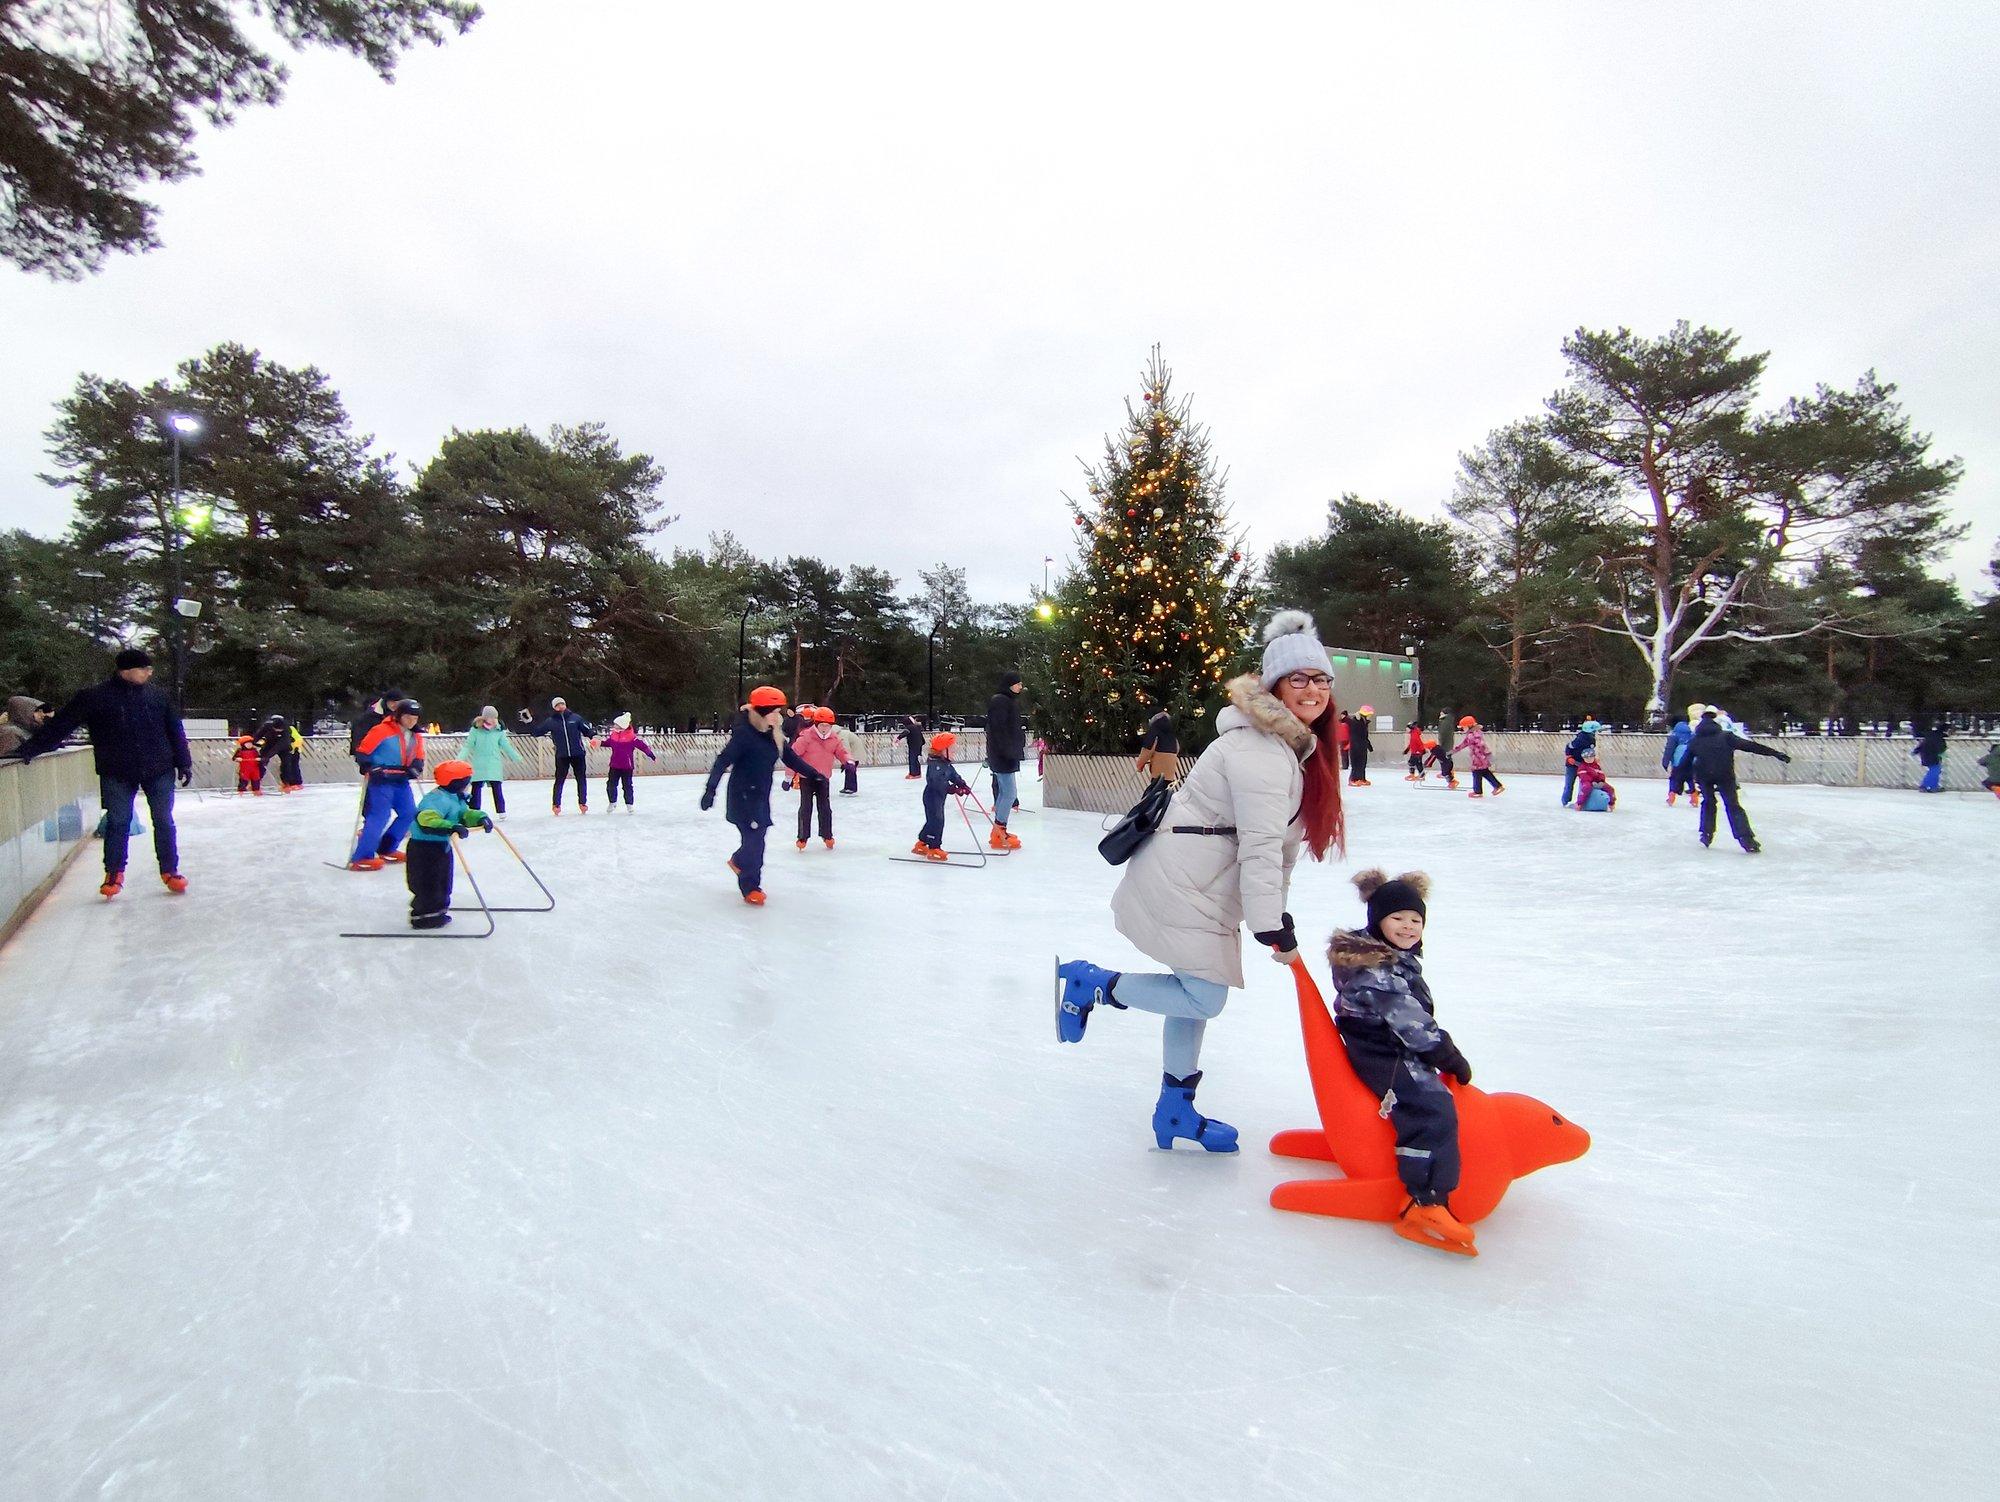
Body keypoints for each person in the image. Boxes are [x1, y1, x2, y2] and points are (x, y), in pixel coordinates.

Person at [1056, 610, 1345, 1151]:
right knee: (1203, 996)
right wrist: (1267, 923)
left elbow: (1277, 851)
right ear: (1275, 685)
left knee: (1190, 993)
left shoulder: (1288, 748)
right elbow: (1261, 845)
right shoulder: (1261, 750)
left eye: (1322, 679)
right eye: (1299, 679)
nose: (1313, 690)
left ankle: (1175, 1111)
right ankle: (1090, 983)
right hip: (1186, 884)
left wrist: (1274, 914)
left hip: (1200, 884)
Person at [1329, 869, 1477, 1256]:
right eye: (1398, 918)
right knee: (1432, 1108)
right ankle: (1425, 1202)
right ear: (1377, 920)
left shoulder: (1390, 957)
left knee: (1434, 1097)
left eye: (1416, 920)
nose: (1408, 927)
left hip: (1387, 1043)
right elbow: (1409, 1021)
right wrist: (1445, 1053)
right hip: (1381, 1051)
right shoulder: (1374, 968)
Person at [7, 648, 192, 898]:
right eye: (144, 668)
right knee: (117, 821)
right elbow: (62, 725)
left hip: (158, 767)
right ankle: (114, 873)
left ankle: (170, 870)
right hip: (116, 769)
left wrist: (184, 762)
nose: (150, 672)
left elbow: (175, 731)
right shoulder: (94, 697)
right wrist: (29, 750)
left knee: (163, 820)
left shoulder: (158, 696)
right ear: (126, 670)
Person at [700, 687, 814, 906]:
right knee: (754, 843)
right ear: (762, 711)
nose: (778, 715)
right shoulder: (744, 735)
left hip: (760, 797)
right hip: (742, 797)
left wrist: (814, 775)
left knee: (757, 841)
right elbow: (723, 761)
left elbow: (790, 758)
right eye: (774, 711)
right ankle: (750, 886)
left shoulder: (774, 734)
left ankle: (739, 861)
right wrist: (710, 790)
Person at [1685, 708, 1790, 853]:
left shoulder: (1695, 740)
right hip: (1725, 775)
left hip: (1704, 776)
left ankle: (1706, 833)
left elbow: (1684, 762)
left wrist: (1678, 781)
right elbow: (1750, 746)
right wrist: (1775, 753)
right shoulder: (1726, 736)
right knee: (1733, 805)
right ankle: (1746, 839)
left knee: (1709, 802)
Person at [405, 758, 494, 928]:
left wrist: (480, 818)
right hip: (424, 849)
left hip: (441, 847)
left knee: (443, 881)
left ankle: (438, 910)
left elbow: (464, 814)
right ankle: (423, 916)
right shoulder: (436, 799)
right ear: (457, 783)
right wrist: (450, 826)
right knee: (427, 882)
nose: (468, 785)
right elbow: (426, 820)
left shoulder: (454, 797)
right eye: (466, 781)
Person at [348, 698, 425, 870]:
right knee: (380, 816)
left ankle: (387, 848)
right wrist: (369, 766)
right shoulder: (382, 730)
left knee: (409, 813)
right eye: (408, 717)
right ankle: (362, 856)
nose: (412, 721)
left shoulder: (416, 735)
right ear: (398, 715)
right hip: (381, 780)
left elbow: (419, 756)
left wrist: (416, 767)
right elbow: (362, 752)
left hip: (401, 780)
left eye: (415, 717)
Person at [789, 706, 855, 849]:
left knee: (825, 808)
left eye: (827, 725)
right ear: (816, 724)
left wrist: (848, 762)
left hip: (823, 778)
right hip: (806, 778)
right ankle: (802, 837)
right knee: (806, 807)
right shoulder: (806, 737)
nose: (824, 728)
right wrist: (788, 777)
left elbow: (842, 752)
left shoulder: (834, 739)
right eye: (822, 725)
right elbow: (792, 756)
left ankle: (827, 835)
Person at [519, 696, 595, 814]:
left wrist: (593, 737)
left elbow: (587, 730)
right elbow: (537, 732)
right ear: (554, 707)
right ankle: (556, 804)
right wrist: (529, 722)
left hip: (578, 754)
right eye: (557, 705)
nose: (560, 706)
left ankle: (582, 802)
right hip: (562, 755)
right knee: (559, 780)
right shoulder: (551, 721)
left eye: (562, 704)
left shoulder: (575, 718)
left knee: (581, 779)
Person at [984, 671, 1028, 851]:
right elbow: (998, 730)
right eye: (1018, 683)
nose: (1020, 687)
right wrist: (1008, 751)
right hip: (1003, 755)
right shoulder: (1000, 701)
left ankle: (999, 830)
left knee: (1006, 792)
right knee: (1009, 793)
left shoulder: (1008, 701)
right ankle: (999, 831)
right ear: (1010, 684)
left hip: (1006, 754)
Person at [912, 731, 973, 860]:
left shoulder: (945, 763)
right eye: (952, 749)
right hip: (932, 796)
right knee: (937, 821)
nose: (954, 752)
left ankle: (922, 842)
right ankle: (934, 847)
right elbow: (937, 783)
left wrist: (962, 784)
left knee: (933, 820)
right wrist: (953, 789)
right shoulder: (936, 765)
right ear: (942, 750)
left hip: (938, 796)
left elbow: (953, 775)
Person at [462, 706, 523, 817]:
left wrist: (516, 757)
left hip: (493, 763)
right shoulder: (476, 730)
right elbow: (468, 746)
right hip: (479, 764)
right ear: (485, 718)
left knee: (497, 787)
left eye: (495, 717)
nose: (493, 720)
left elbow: (506, 746)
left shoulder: (498, 730)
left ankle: (501, 811)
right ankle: (474, 811)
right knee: (476, 788)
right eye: (491, 717)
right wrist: (459, 759)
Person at [601, 713, 658, 812]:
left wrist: (652, 756)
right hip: (614, 765)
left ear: (622, 726)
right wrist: (598, 743)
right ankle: (612, 802)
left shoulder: (631, 737)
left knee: (627, 785)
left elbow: (643, 746)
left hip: (627, 766)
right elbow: (607, 743)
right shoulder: (614, 735)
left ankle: (629, 804)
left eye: (616, 725)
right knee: (611, 785)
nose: (614, 726)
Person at [257, 714, 304, 792]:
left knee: (289, 765)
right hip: (272, 745)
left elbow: (286, 743)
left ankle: (290, 782)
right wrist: (253, 742)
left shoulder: (288, 729)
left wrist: (294, 748)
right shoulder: (267, 726)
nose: (277, 731)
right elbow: (259, 735)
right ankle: (256, 781)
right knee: (262, 761)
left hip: (290, 748)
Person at [1560, 719, 1601, 806]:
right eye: (1594, 731)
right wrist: (1569, 756)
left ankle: (1581, 800)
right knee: (1569, 783)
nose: (1596, 732)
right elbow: (1569, 747)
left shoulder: (1591, 739)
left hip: (1584, 764)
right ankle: (1565, 800)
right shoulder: (1580, 739)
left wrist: (1592, 759)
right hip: (1573, 764)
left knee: (1584, 783)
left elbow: (1589, 751)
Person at [1460, 715, 1502, 797]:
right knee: (1485, 772)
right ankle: (1497, 786)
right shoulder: (1474, 733)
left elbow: (1480, 745)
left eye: (1463, 727)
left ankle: (1478, 791)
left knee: (1476, 773)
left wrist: (1482, 756)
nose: (1462, 729)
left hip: (1478, 758)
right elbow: (1465, 744)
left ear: (1469, 726)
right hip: (1480, 757)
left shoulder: (1473, 735)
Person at [1135, 707, 1180, 783]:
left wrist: (1140, 766)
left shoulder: (1154, 733)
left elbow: (1147, 751)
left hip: (1158, 771)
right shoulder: (1171, 734)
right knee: (1165, 791)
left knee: (1154, 791)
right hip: (1170, 771)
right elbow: (1177, 748)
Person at [1913, 721, 1946, 793]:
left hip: (1925, 755)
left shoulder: (1931, 735)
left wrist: (1916, 751)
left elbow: (1923, 744)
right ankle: (1924, 786)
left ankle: (1934, 786)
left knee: (1936, 770)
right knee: (1934, 771)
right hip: (1932, 755)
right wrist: (1942, 753)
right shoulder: (1939, 737)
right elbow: (1940, 747)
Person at [1432, 711, 1459, 789]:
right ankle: (1446, 773)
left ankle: (1449, 775)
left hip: (1445, 744)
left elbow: (1443, 733)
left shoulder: (1445, 722)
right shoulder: (1448, 721)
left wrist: (1441, 744)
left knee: (1445, 760)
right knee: (1446, 759)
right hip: (1448, 743)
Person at [1347, 705, 1373, 786]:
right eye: (1369, 714)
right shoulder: (1355, 722)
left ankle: (1361, 778)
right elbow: (1355, 735)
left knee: (1362, 763)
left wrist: (1369, 746)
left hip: (1362, 745)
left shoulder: (1364, 722)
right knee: (1356, 763)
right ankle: (1353, 779)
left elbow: (1364, 736)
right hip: (1356, 746)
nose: (1370, 716)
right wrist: (1356, 745)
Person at [899, 715, 924, 779]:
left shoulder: (910, 727)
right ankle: (918, 773)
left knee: (912, 759)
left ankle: (913, 774)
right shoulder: (916, 727)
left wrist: (899, 737)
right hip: (919, 745)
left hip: (913, 745)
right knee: (916, 759)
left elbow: (906, 732)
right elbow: (921, 736)